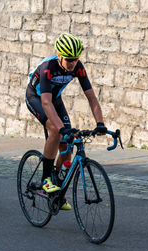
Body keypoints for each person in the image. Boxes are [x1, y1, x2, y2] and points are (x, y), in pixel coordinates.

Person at [25, 33, 107, 210]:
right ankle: (46, 178)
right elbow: (45, 102)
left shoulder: (78, 67)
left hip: (55, 98)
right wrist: (61, 129)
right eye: (68, 59)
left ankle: (58, 192)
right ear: (60, 55)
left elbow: (92, 97)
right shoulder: (48, 67)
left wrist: (100, 123)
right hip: (37, 97)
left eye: (75, 59)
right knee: (56, 130)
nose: (72, 63)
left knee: (67, 145)